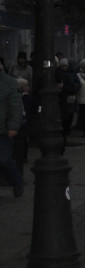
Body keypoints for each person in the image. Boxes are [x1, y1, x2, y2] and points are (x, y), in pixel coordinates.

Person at [0, 60, 25, 198]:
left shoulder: (9, 83)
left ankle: (17, 181)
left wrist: (13, 126)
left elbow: (16, 106)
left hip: (3, 130)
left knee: (4, 160)